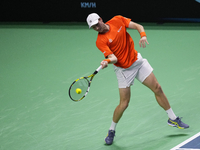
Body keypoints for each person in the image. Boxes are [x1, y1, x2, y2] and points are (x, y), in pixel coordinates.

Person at [86, 13, 189, 145]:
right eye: (93, 27)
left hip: (137, 62)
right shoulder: (100, 41)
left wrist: (143, 36)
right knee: (124, 103)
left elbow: (138, 26)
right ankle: (111, 130)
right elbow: (114, 58)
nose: (96, 28)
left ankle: (173, 118)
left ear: (101, 19)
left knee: (157, 88)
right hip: (123, 70)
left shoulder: (118, 20)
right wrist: (107, 61)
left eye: (96, 24)